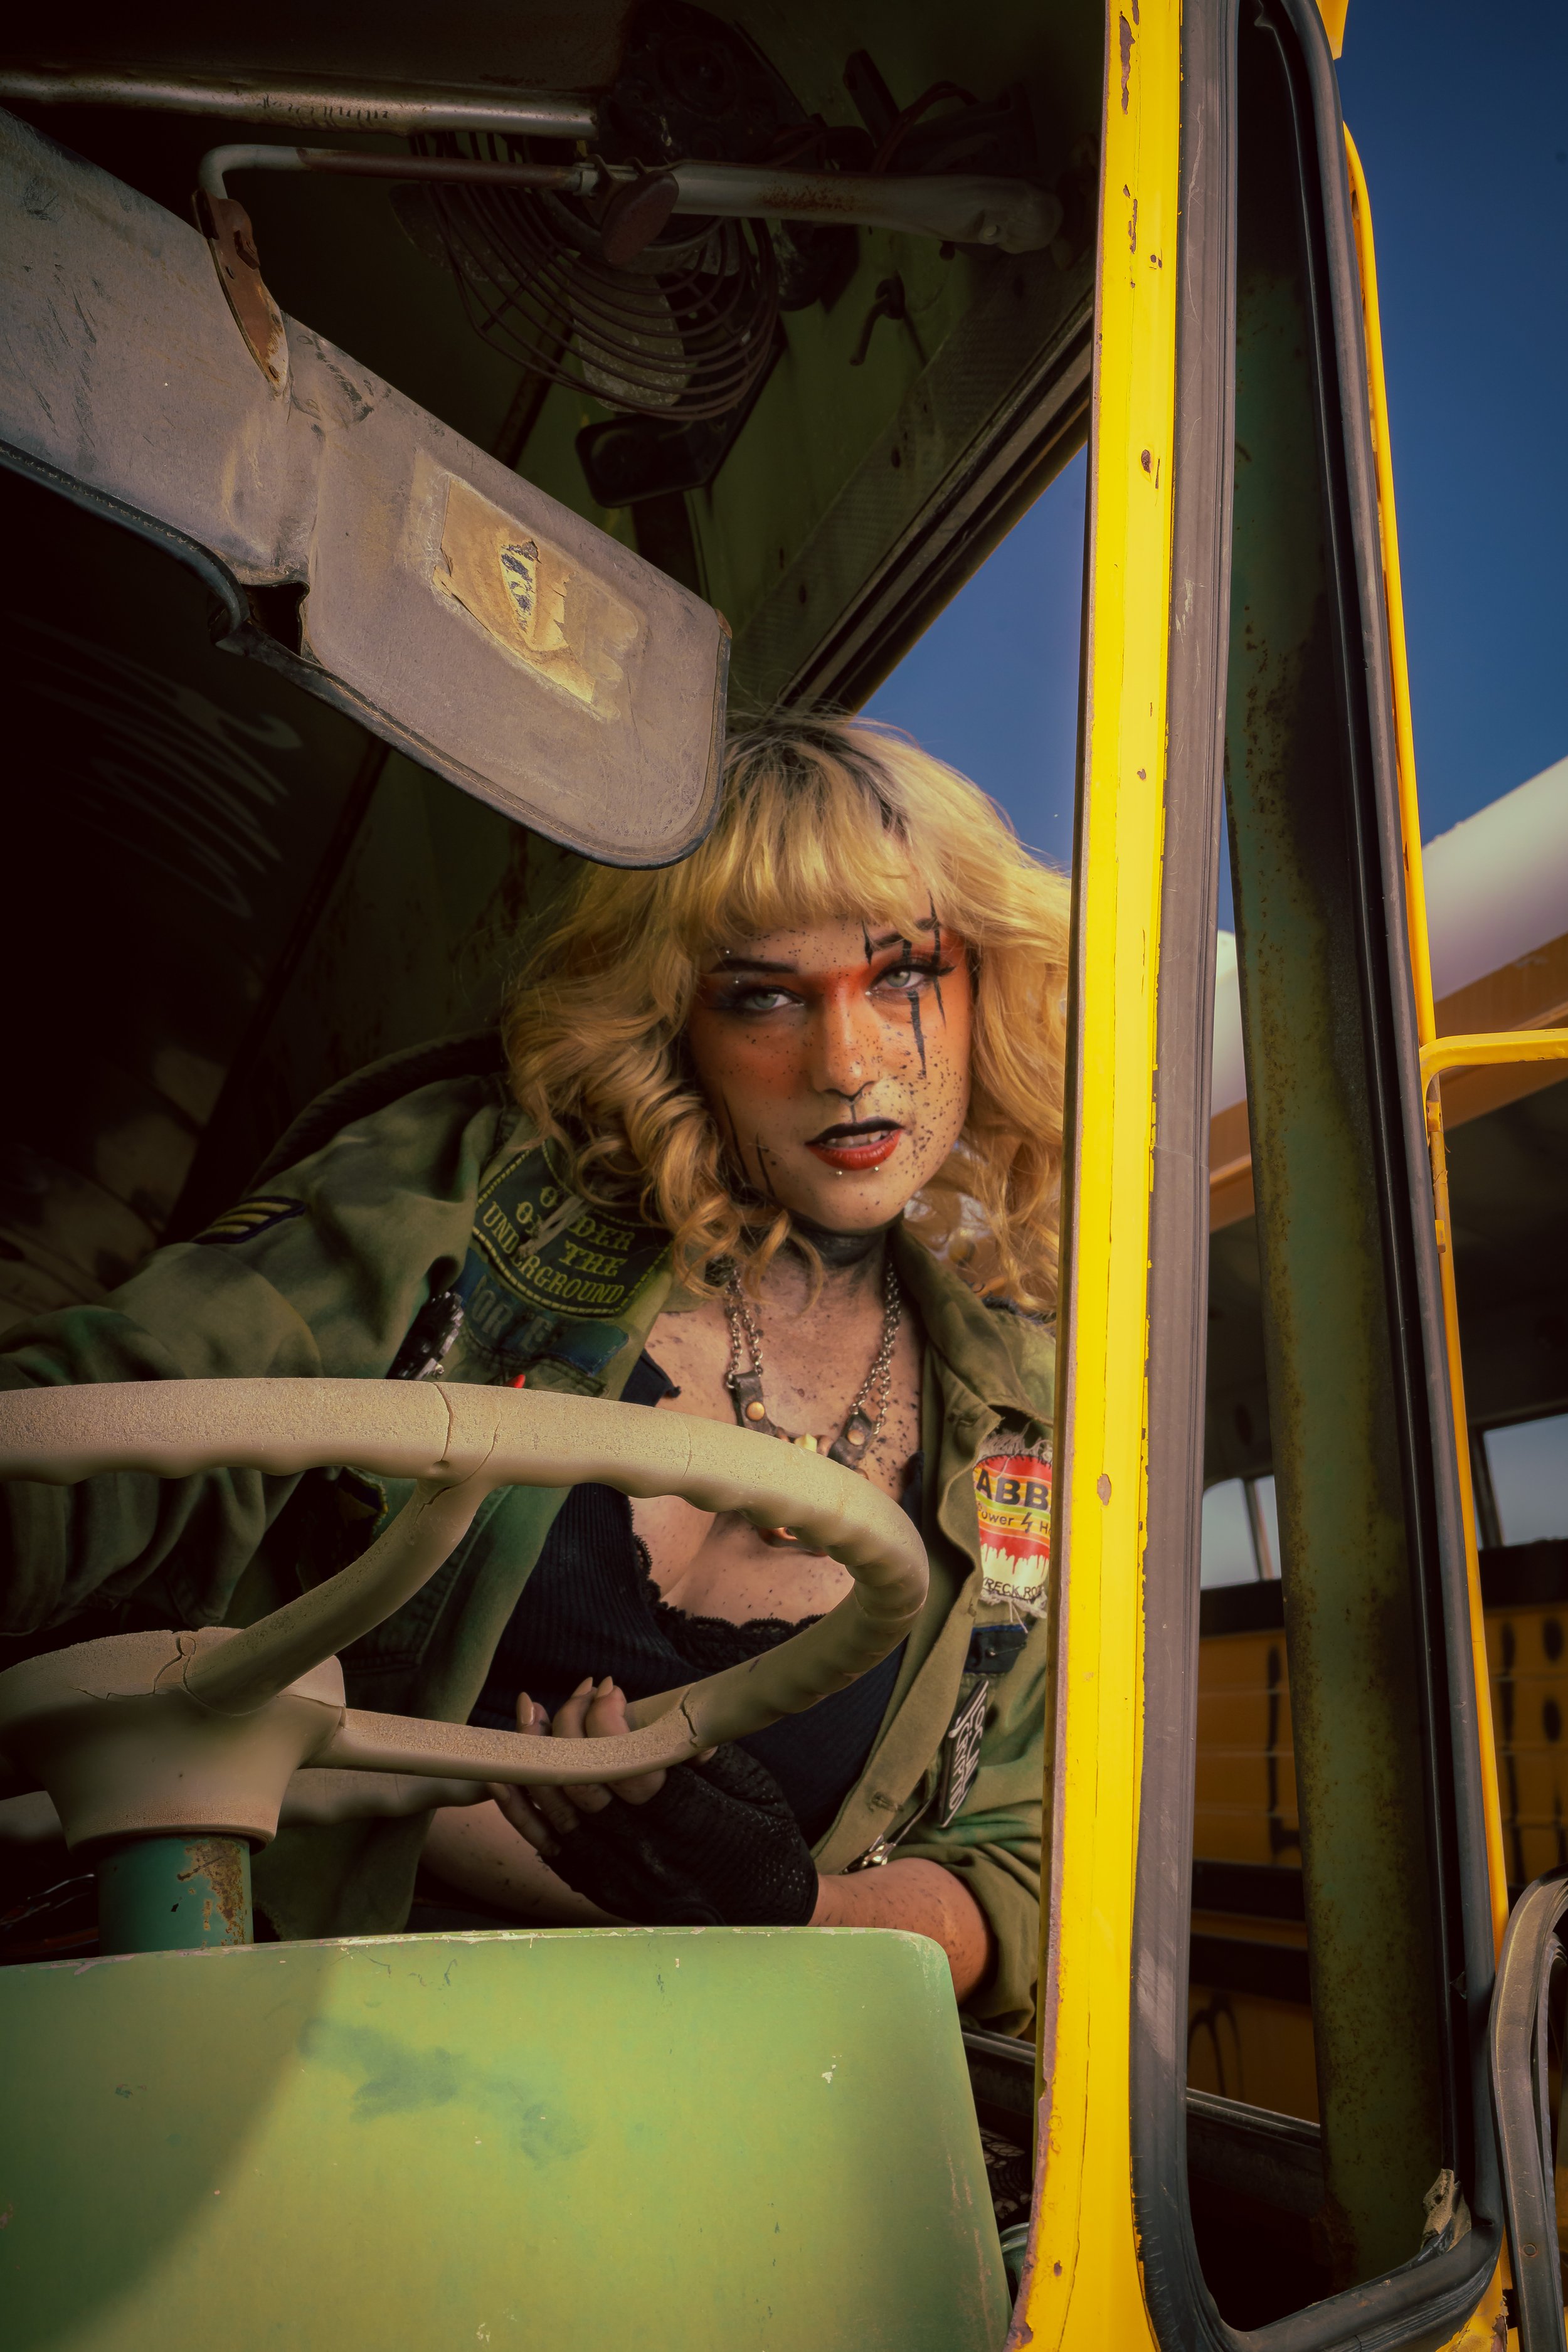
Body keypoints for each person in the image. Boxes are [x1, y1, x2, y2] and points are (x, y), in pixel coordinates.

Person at [0, 716, 1067, 2034]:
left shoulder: (1021, 1425)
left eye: (901, 977)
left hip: (742, 2095)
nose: (848, 1064)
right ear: (674, 1016)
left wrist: (784, 1906)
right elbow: (135, 1419)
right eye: (763, 993)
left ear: (980, 987)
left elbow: (1019, 1872)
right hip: (283, 2018)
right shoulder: (472, 1198)